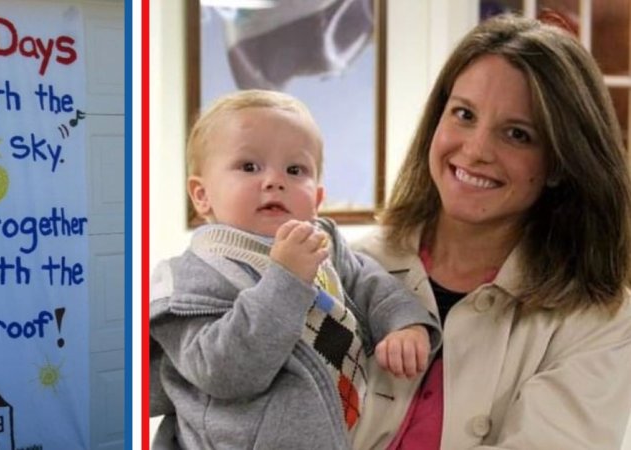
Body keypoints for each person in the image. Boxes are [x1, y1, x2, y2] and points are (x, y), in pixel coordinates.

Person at [351, 14, 631, 449]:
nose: (476, 150)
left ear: (559, 162)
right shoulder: (354, 266)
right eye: (463, 114)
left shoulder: (597, 320)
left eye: (517, 134)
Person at [149, 89, 441, 449]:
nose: (275, 180)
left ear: (317, 199)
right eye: (249, 166)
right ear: (201, 194)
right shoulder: (191, 279)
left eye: (295, 169)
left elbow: (372, 285)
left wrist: (404, 324)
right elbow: (224, 372)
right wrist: (285, 281)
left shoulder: (323, 244)